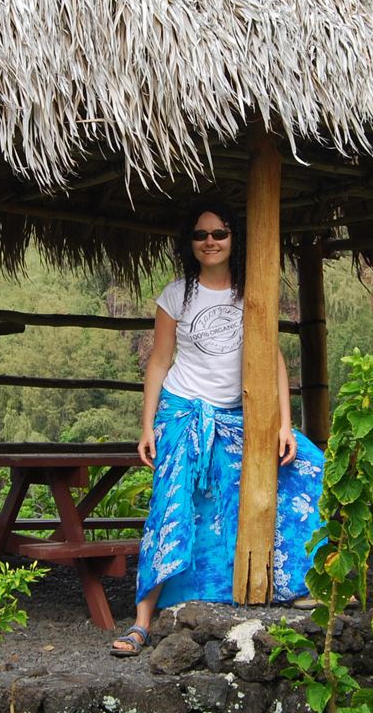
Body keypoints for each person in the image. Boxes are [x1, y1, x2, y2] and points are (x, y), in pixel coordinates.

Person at [109, 201, 325, 656]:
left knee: (307, 467)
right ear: (190, 242)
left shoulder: (252, 292)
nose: (210, 242)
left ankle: (295, 582)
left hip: (236, 415)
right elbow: (159, 361)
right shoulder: (176, 295)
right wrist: (146, 426)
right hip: (182, 411)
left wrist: (286, 425)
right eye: (201, 234)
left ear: (234, 239)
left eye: (219, 233)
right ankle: (142, 621)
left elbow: (275, 360)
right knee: (172, 503)